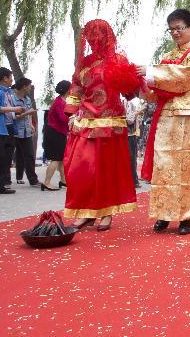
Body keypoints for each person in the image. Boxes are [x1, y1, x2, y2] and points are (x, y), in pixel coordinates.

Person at [138, 9, 190, 235]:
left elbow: (184, 77)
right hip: (167, 117)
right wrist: (137, 86)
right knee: (165, 166)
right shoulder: (168, 56)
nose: (175, 32)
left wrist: (151, 72)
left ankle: (186, 217)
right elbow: (158, 91)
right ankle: (164, 213)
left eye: (179, 28)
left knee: (189, 166)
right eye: (172, 29)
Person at [63, 20, 138, 230]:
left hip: (110, 122)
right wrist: (70, 112)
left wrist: (130, 81)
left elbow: (129, 91)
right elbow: (76, 87)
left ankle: (106, 212)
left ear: (107, 37)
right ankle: (86, 211)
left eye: (99, 36)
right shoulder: (84, 63)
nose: (94, 41)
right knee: (82, 168)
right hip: (85, 120)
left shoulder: (119, 60)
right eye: (90, 37)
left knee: (107, 170)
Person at [41, 80, 70, 191]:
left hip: (59, 132)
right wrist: (73, 117)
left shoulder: (60, 101)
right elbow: (63, 119)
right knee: (55, 159)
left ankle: (63, 180)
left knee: (61, 158)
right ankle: (47, 182)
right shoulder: (60, 103)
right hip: (55, 132)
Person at [10, 78, 39, 186]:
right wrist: (27, 114)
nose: (30, 88)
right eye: (29, 86)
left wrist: (31, 124)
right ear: (24, 87)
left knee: (29, 155)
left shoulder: (27, 99)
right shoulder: (12, 99)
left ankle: (33, 179)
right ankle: (11, 178)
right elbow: (14, 117)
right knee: (14, 155)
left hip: (26, 131)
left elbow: (29, 113)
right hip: (15, 131)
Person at [122, 96, 144, 188]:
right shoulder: (127, 102)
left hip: (125, 134)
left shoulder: (122, 101)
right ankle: (133, 181)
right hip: (129, 134)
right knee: (132, 158)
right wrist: (138, 112)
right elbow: (130, 120)